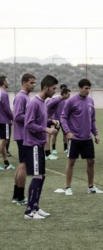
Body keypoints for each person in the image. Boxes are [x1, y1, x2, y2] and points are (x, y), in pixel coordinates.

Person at [24, 75, 59, 219]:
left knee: (42, 176)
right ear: (45, 88)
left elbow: (40, 120)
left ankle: (36, 207)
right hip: (32, 144)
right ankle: (29, 212)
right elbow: (29, 124)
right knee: (37, 176)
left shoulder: (44, 102)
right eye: (53, 88)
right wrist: (46, 130)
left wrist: (51, 122)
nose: (55, 91)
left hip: (39, 144)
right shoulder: (34, 103)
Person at [61, 79, 103, 196]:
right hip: (74, 138)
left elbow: (92, 119)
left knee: (91, 161)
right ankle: (68, 187)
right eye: (86, 88)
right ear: (79, 88)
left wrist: (96, 134)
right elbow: (63, 117)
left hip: (87, 138)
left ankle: (90, 186)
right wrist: (67, 132)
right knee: (71, 162)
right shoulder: (71, 101)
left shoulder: (90, 101)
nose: (88, 91)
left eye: (89, 88)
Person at [11, 73, 36, 205]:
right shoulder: (21, 97)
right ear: (24, 83)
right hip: (23, 136)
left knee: (21, 165)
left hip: (23, 136)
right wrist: (32, 118)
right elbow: (18, 116)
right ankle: (20, 197)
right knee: (23, 166)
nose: (34, 85)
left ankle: (16, 195)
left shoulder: (25, 97)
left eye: (34, 83)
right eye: (31, 83)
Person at [44, 86, 71, 160]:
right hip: (46, 119)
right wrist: (48, 118)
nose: (69, 96)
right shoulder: (57, 99)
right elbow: (46, 106)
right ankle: (47, 154)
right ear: (64, 94)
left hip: (48, 118)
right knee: (47, 135)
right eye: (68, 94)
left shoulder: (59, 100)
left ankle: (47, 153)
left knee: (48, 135)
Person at [0, 75, 15, 170]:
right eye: (7, 80)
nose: (8, 82)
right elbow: (7, 109)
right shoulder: (4, 94)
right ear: (4, 82)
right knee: (4, 142)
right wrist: (13, 118)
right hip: (4, 120)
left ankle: (6, 163)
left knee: (3, 143)